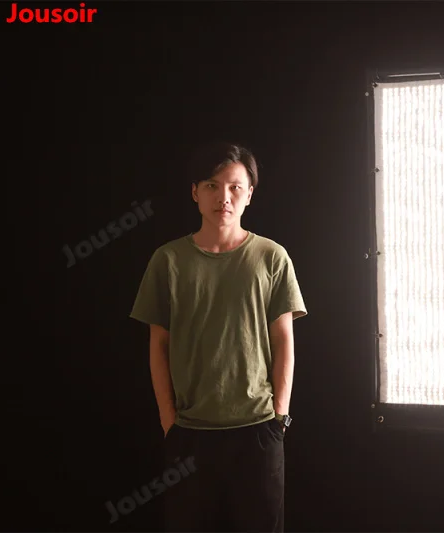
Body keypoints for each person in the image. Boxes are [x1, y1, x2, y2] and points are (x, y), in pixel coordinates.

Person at [129, 142, 307, 532]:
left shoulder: (271, 257)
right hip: (190, 432)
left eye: (234, 187)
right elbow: (158, 345)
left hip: (258, 430)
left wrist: (279, 417)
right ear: (195, 192)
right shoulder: (168, 260)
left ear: (249, 194)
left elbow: (284, 341)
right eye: (211, 185)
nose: (223, 197)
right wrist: (169, 421)